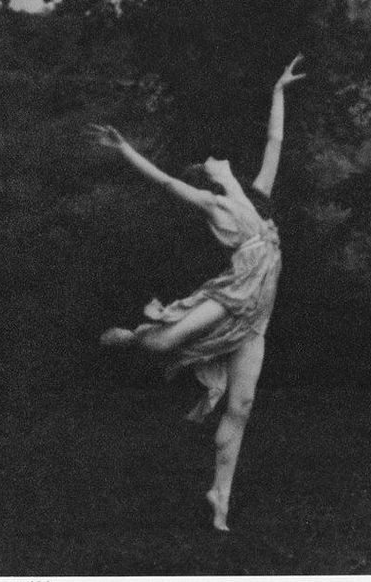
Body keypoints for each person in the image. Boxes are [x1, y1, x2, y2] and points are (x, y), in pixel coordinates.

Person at [90, 55, 306, 531]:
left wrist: (278, 91)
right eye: (210, 161)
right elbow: (167, 182)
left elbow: (276, 142)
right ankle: (131, 336)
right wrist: (124, 148)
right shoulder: (212, 203)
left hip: (257, 319)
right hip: (230, 297)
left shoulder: (256, 196)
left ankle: (220, 495)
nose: (216, 155)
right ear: (211, 177)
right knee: (164, 343)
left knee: (242, 405)